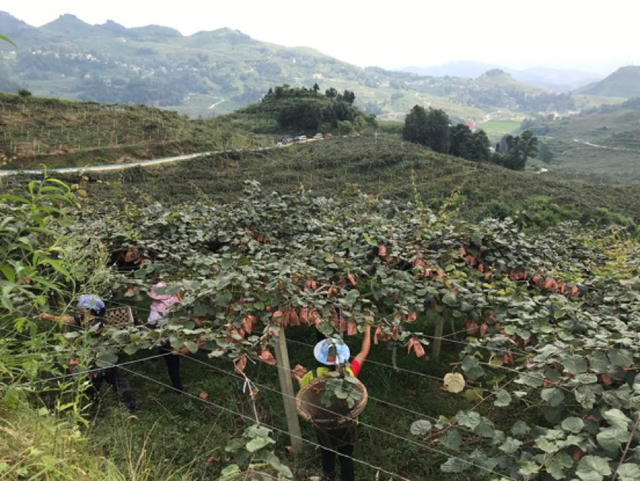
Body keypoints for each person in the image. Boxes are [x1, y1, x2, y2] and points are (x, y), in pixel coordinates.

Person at [296, 324, 371, 481]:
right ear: (343, 357)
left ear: (321, 358)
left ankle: (328, 477)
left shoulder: (312, 376)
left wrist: (297, 377)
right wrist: (368, 329)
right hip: (346, 423)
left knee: (327, 454)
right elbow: (364, 352)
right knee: (346, 458)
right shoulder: (348, 373)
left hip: (323, 425)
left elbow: (306, 392)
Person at [40, 295, 137, 413]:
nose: (79, 308)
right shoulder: (83, 318)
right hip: (92, 362)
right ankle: (94, 408)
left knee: (116, 382)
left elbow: (94, 345)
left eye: (82, 306)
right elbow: (69, 319)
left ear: (88, 309)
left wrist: (77, 359)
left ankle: (131, 408)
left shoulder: (98, 324)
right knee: (92, 386)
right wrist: (50, 317)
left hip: (102, 359)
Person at [146, 281, 184, 393]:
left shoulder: (155, 308)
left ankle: (177, 386)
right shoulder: (171, 304)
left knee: (171, 360)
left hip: (161, 334)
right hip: (166, 334)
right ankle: (177, 387)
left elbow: (150, 326)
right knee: (173, 361)